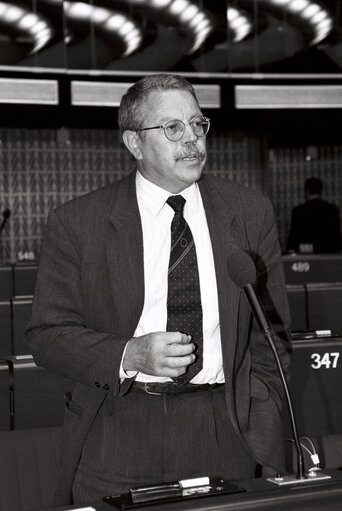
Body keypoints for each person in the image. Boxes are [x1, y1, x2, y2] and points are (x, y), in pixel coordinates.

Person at [25, 74, 291, 507]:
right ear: (134, 142)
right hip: (119, 424)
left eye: (197, 124)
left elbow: (271, 333)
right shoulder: (79, 222)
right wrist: (128, 354)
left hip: (222, 427)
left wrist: (258, 407)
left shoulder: (249, 213)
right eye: (173, 128)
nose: (192, 140)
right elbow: (47, 335)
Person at [287, 177, 341, 254]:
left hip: (305, 255)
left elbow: (294, 239)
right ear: (320, 191)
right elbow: (336, 238)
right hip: (329, 254)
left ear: (307, 192)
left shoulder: (299, 211)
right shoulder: (332, 210)